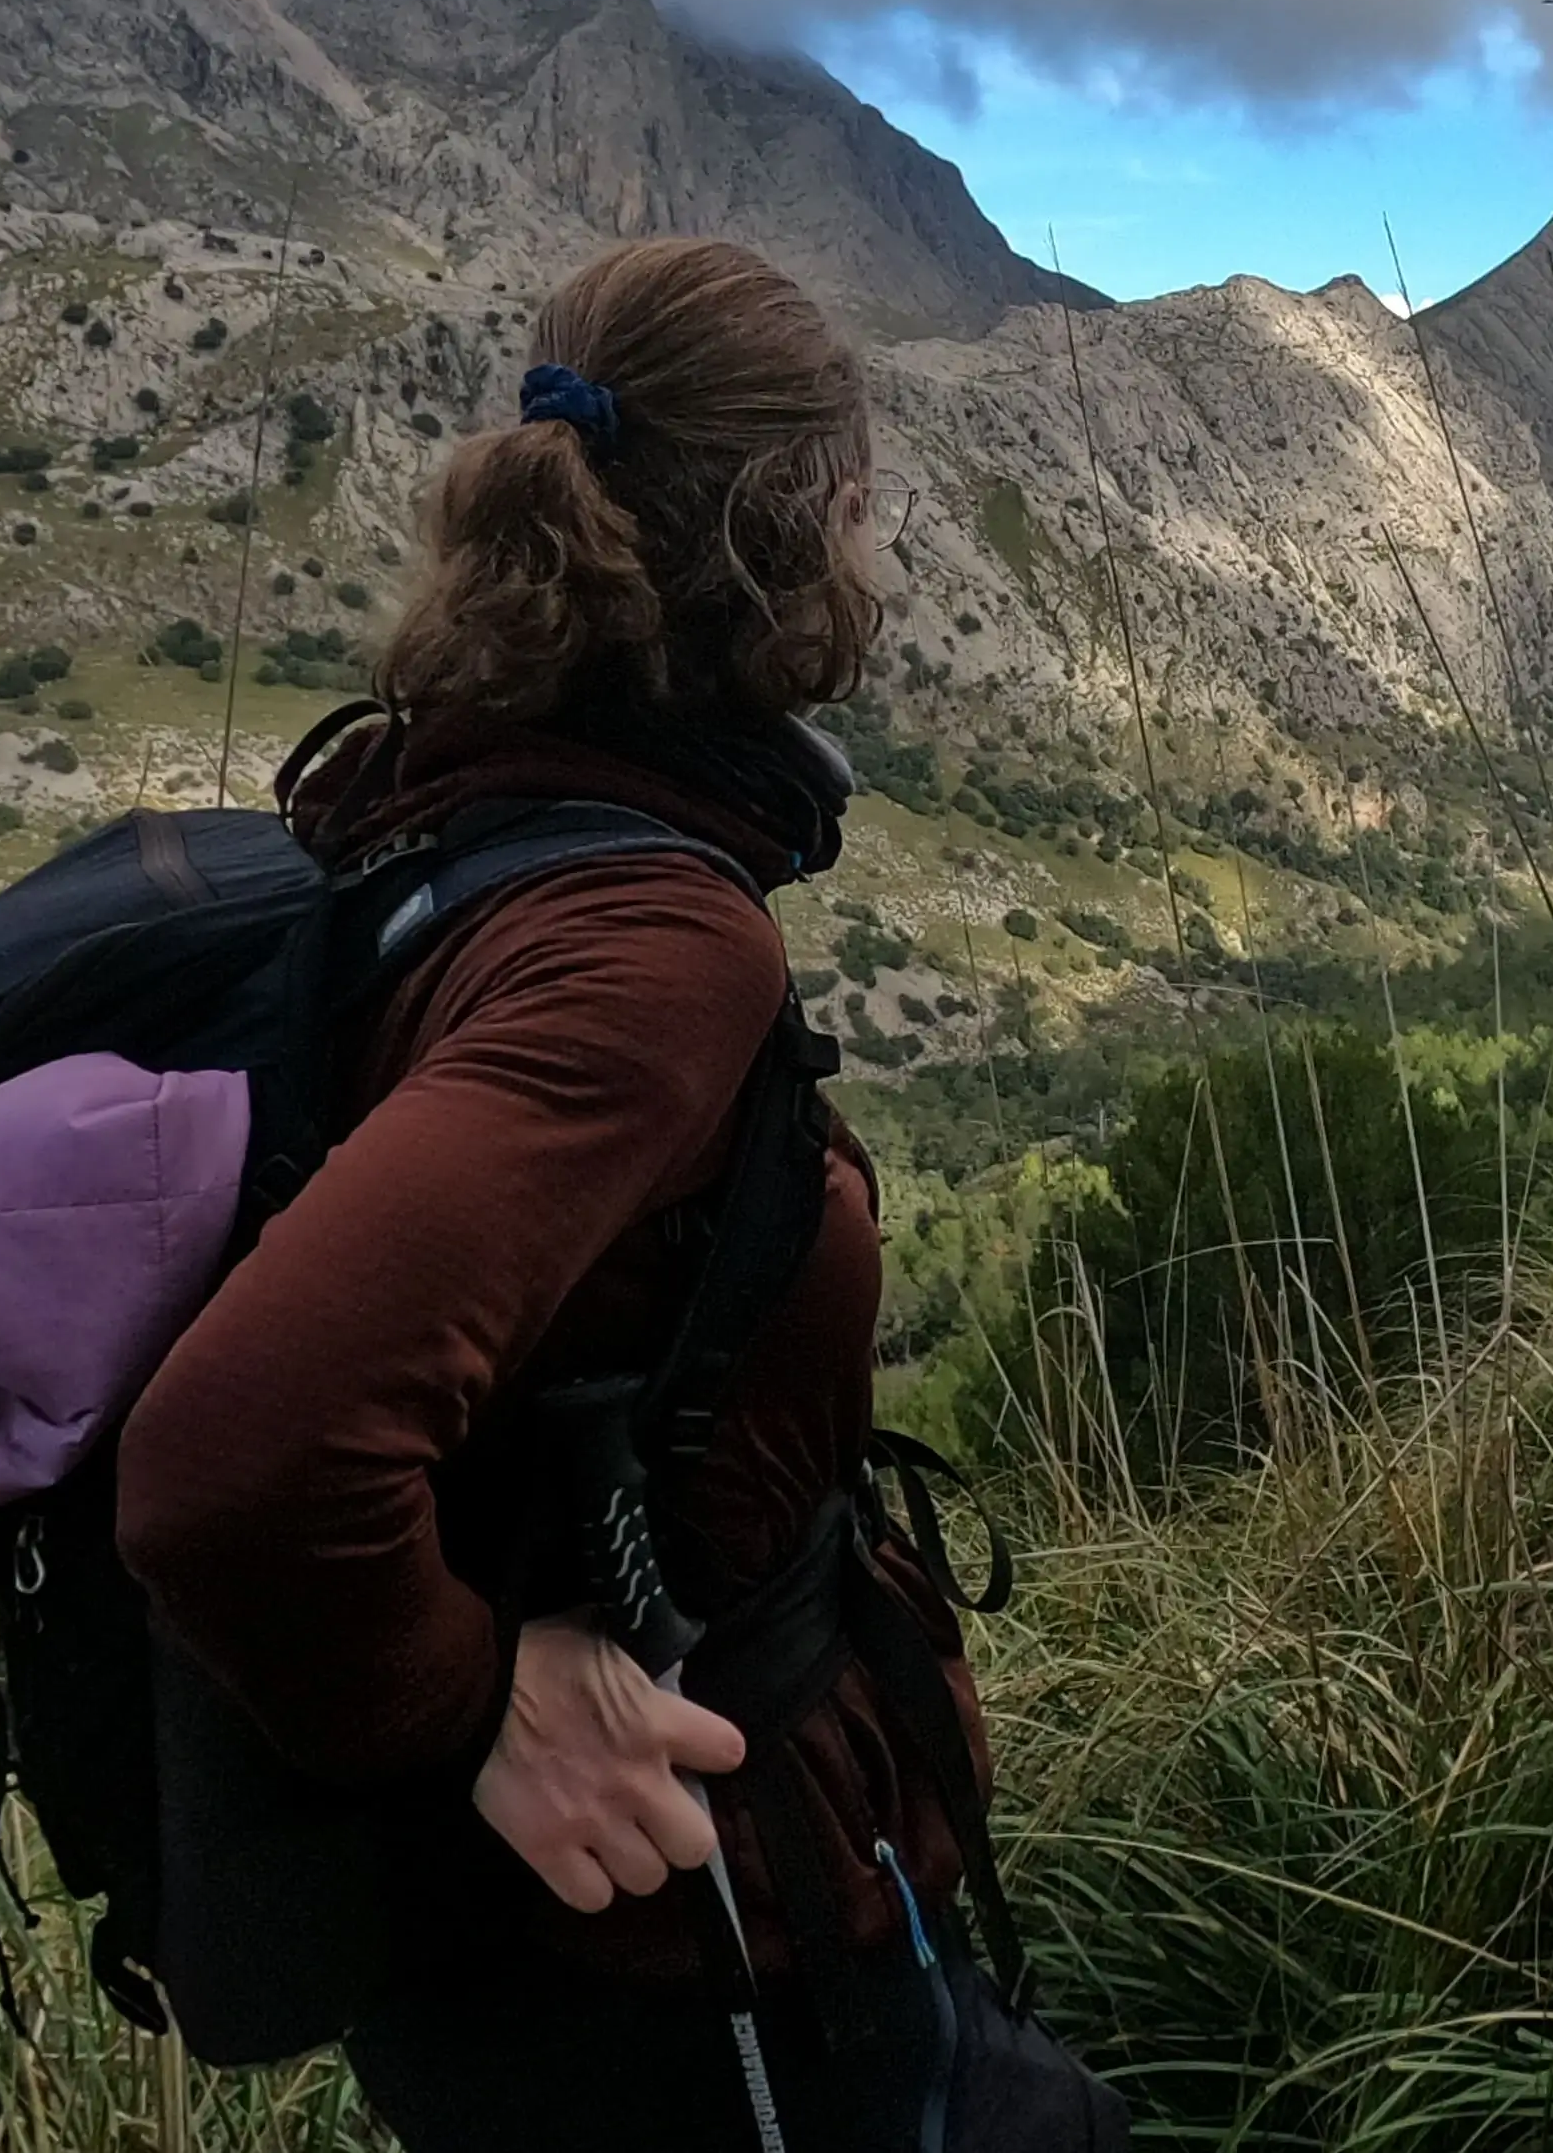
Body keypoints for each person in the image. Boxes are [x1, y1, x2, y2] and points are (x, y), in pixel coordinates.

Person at [111, 234, 977, 2149]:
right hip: (683, 1962)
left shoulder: (446, 806)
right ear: (800, 529)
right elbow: (235, 1456)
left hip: (569, 1953)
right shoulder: (650, 939)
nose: (889, 561)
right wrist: (474, 1701)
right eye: (867, 506)